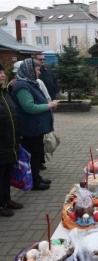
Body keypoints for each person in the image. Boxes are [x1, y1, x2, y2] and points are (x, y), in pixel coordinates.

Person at [12, 58, 58, 190]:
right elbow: (29, 107)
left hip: (35, 128)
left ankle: (37, 177)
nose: (39, 73)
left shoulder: (30, 83)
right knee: (33, 154)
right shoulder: (22, 86)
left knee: (37, 153)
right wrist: (48, 105)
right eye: (37, 70)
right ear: (29, 71)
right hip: (30, 129)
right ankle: (34, 182)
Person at [0, 64, 23, 216]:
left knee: (6, 174)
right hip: (1, 145)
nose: (2, 75)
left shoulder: (5, 93)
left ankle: (7, 200)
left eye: (2, 72)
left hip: (10, 143)